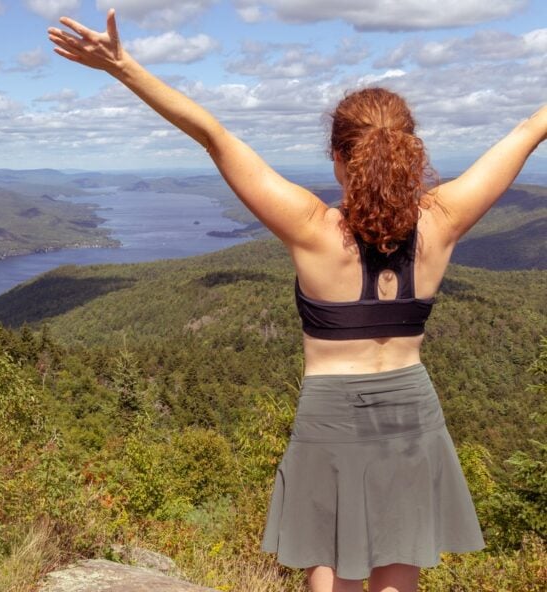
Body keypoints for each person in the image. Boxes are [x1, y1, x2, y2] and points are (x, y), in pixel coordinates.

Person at [47, 9, 547, 592]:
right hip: (413, 411)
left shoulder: (313, 229)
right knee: (398, 576)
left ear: (338, 157)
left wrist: (123, 67)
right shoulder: (442, 221)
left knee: (331, 575)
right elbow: (526, 133)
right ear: (412, 154)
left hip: (331, 415)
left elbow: (215, 136)